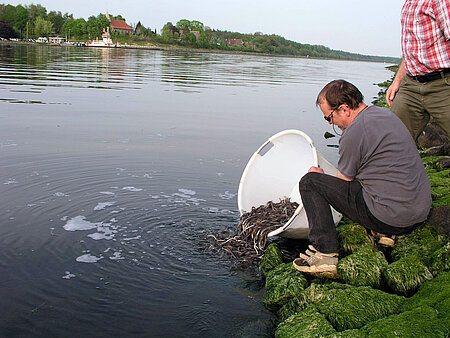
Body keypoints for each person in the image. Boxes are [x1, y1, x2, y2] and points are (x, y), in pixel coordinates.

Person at [293, 80, 432, 278]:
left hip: (394, 219)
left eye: (329, 118)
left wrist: (318, 176)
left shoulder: (353, 133)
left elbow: (343, 183)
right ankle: (386, 235)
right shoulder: (384, 114)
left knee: (310, 183)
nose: (331, 123)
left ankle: (325, 254)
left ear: (344, 108)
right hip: (419, 213)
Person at [386, 0, 450, 141]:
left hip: (442, 84)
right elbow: (412, 48)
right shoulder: (409, 3)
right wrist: (397, 81)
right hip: (411, 85)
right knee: (391, 141)